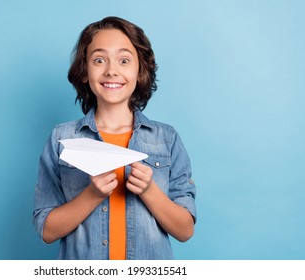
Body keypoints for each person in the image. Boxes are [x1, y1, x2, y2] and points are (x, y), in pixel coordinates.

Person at [33, 16, 196, 260]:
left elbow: (185, 231)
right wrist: (92, 194)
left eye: (124, 60)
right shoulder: (61, 138)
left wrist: (149, 190)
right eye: (99, 60)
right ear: (85, 71)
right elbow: (46, 230)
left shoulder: (166, 139)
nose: (111, 70)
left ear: (139, 70)